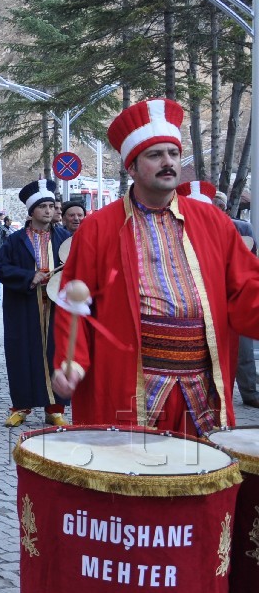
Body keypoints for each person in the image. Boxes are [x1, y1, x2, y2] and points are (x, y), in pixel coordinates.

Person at [53, 99, 259, 435]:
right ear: (132, 167)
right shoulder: (99, 227)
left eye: (173, 154)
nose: (168, 162)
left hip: (202, 382)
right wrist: (72, 362)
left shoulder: (212, 221)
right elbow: (74, 305)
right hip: (131, 378)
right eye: (155, 155)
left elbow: (246, 288)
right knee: (134, 475)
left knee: (201, 473)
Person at [0, 180, 69, 427]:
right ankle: (21, 407)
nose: (48, 211)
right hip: (24, 305)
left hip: (56, 305)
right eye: (42, 207)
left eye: (51, 206)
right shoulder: (14, 241)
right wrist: (30, 276)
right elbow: (1, 269)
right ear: (31, 211)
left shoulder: (64, 237)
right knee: (22, 354)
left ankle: (55, 408)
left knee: (56, 353)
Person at [188, 181, 259, 408]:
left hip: (228, 315)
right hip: (187, 330)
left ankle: (249, 393)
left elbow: (247, 273)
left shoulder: (237, 230)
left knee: (242, 356)